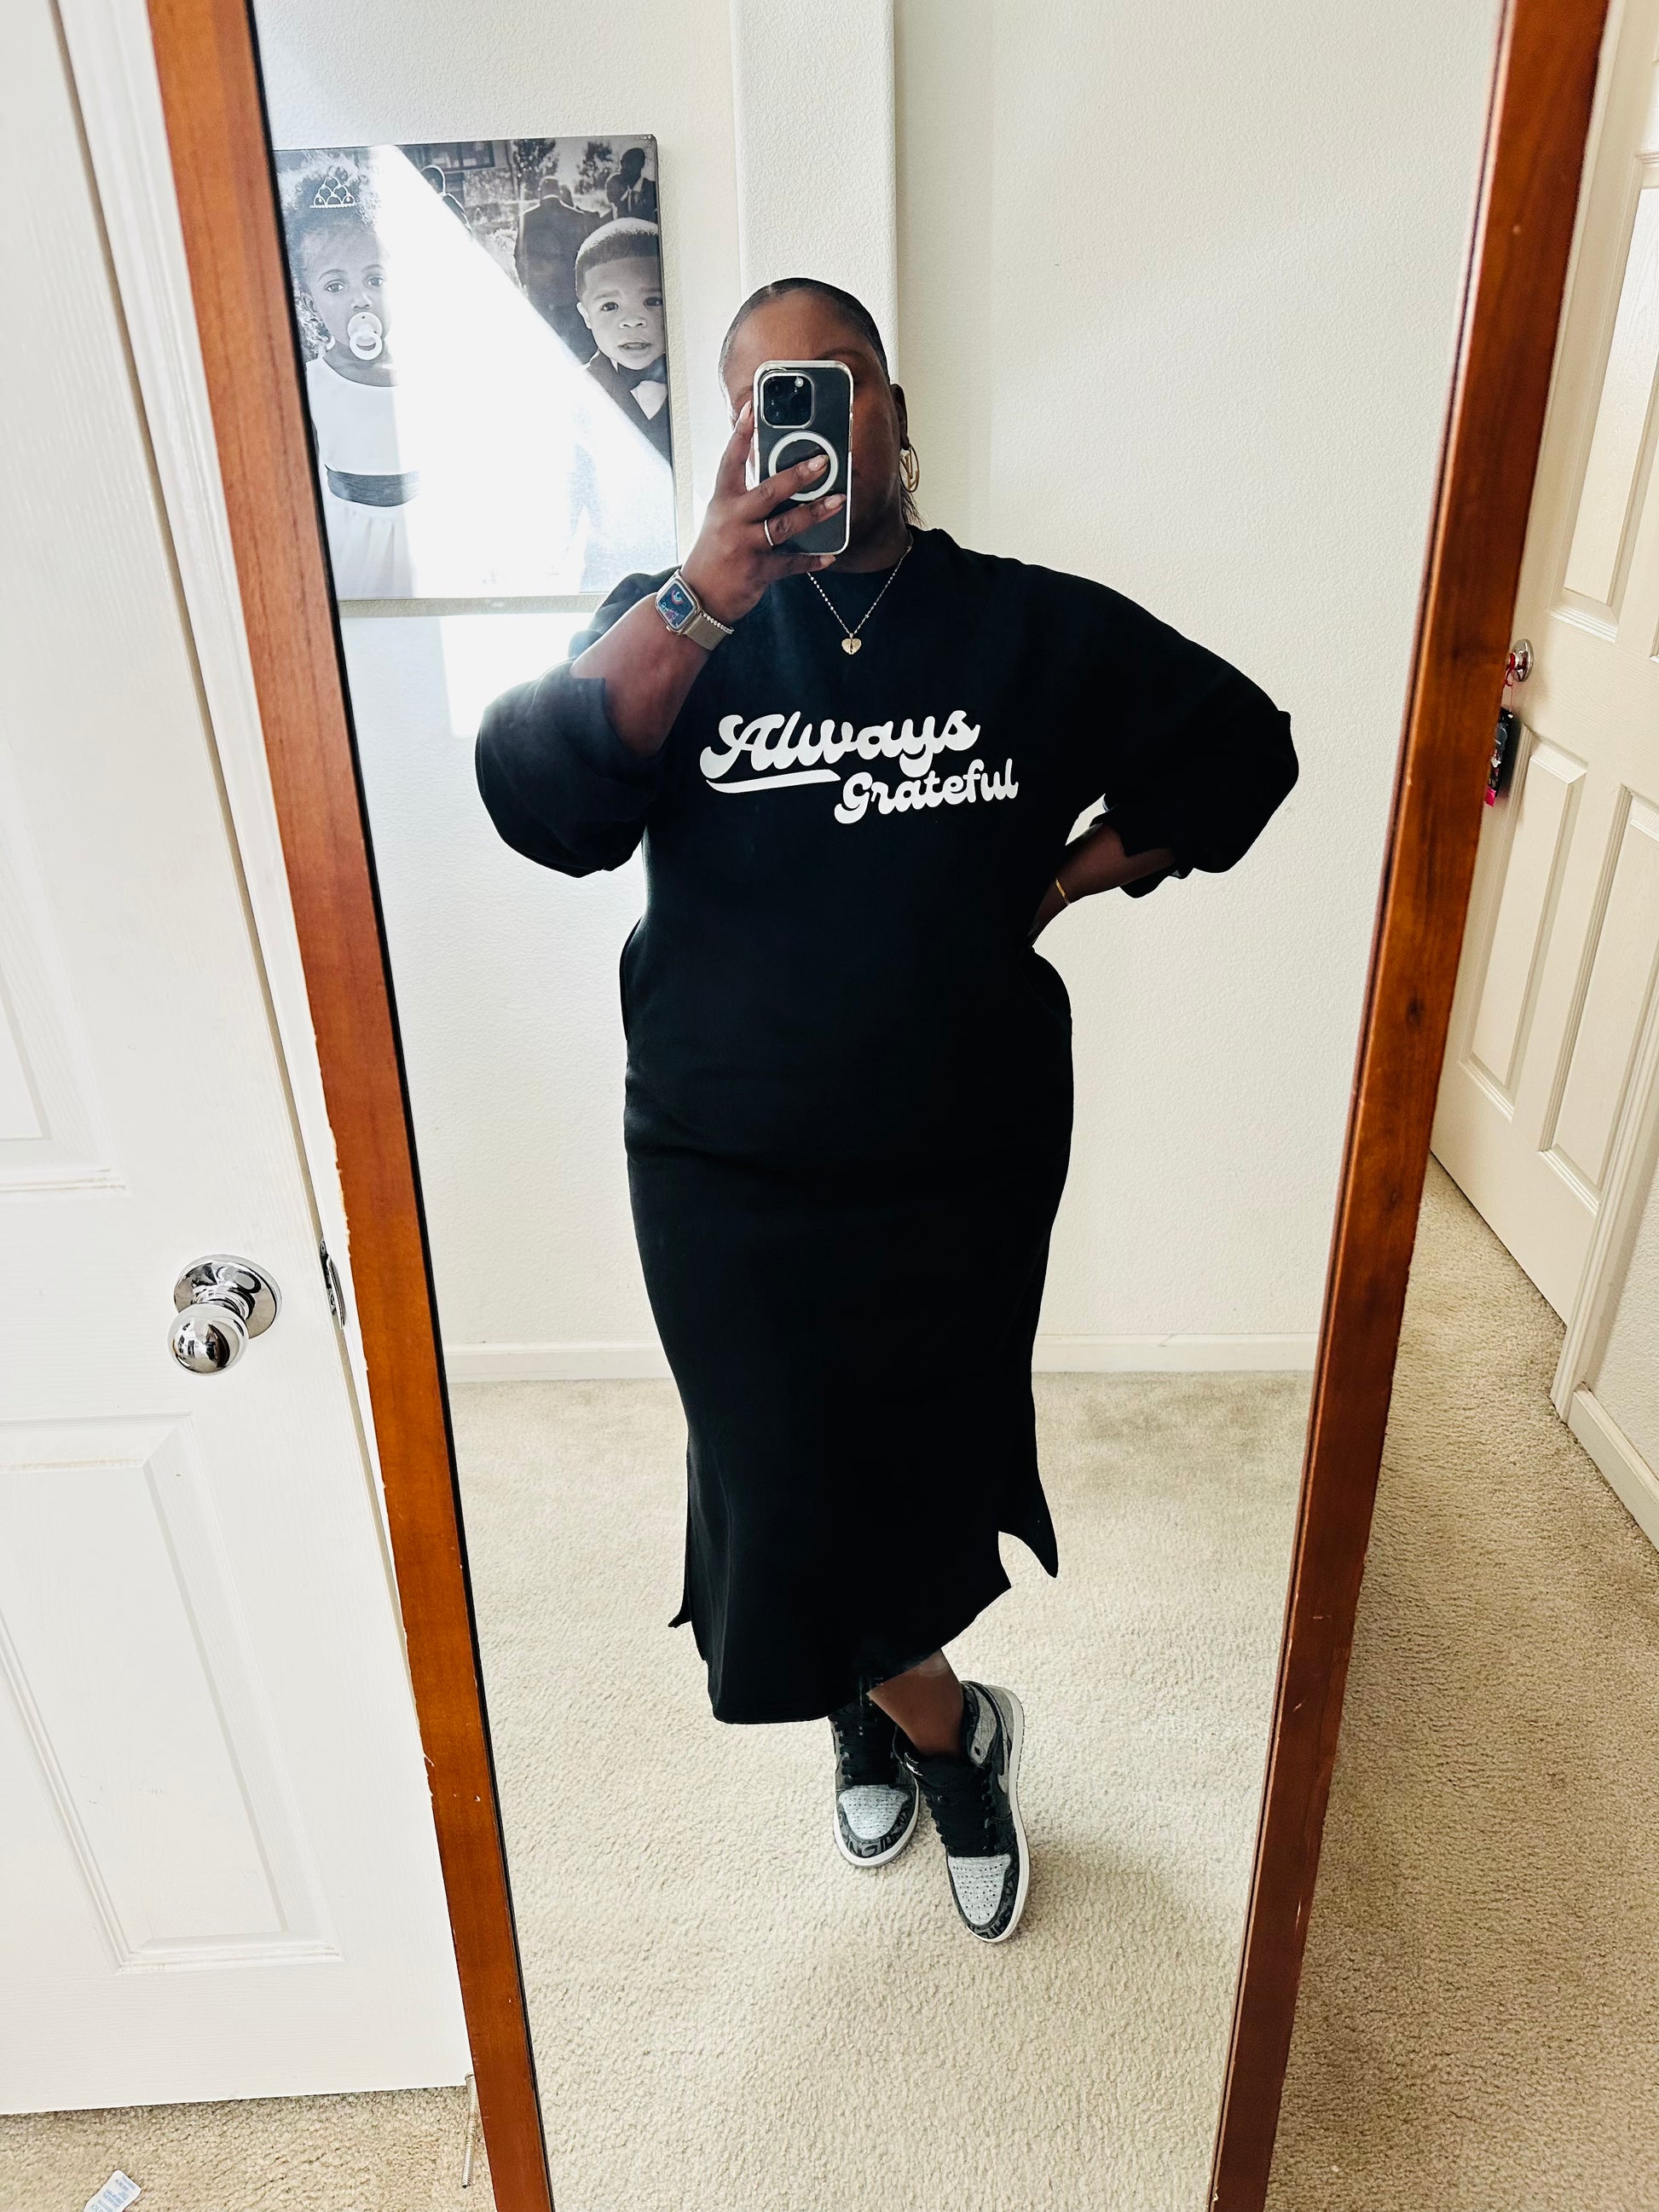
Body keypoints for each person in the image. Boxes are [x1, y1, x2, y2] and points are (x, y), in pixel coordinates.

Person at [476, 277, 1297, 1943]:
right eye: (763, 397)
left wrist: (1060, 881)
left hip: (959, 1145)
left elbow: (1241, 752)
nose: (806, 422)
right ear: (730, 436)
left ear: (895, 415)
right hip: (720, 1154)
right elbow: (540, 798)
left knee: (916, 1461)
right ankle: (950, 1731)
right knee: (773, 1474)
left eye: (836, 381)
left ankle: (869, 1698)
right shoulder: (675, 624)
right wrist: (707, 594)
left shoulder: (1028, 627)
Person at [280, 157, 419, 598]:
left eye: (374, 279)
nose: (360, 299)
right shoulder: (311, 384)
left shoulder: (426, 375)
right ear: (310, 301)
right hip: (354, 545)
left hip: (426, 534)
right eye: (335, 286)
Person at [574, 220, 672, 463]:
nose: (632, 320)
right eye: (610, 306)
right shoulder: (571, 394)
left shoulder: (701, 380)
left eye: (652, 301)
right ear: (586, 316)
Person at [515, 176, 599, 360]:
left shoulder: (527, 218)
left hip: (540, 291)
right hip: (569, 290)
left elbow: (519, 255)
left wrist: (525, 282)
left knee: (544, 340)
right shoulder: (576, 217)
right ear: (559, 192)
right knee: (576, 344)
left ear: (540, 193)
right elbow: (586, 256)